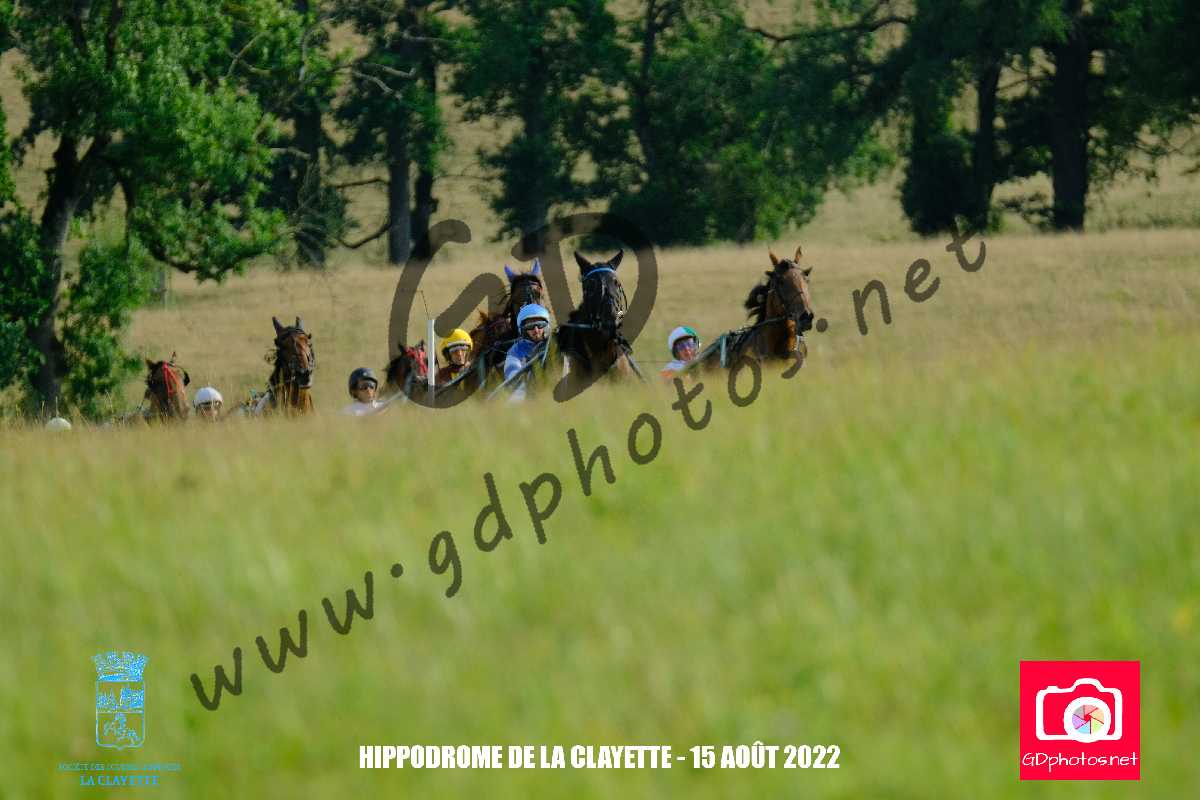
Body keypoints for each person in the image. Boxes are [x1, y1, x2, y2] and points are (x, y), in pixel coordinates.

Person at [503, 304, 551, 401]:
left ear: (546, 326)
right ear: (523, 329)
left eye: (540, 324)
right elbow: (514, 382)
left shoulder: (556, 343)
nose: (536, 330)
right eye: (530, 326)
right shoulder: (515, 352)